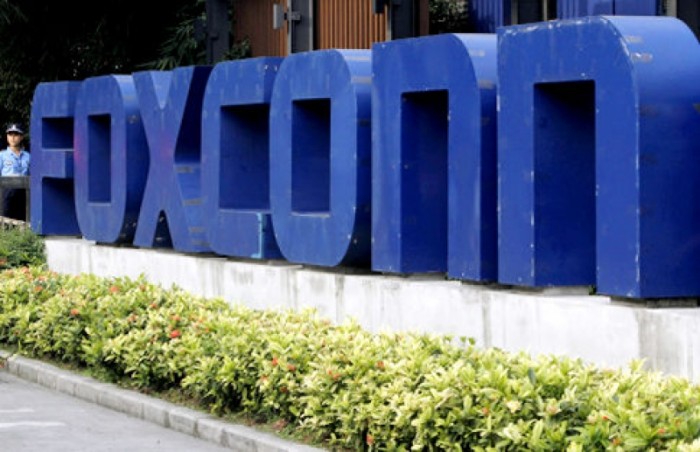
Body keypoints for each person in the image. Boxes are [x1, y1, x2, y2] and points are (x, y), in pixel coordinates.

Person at [0, 123, 30, 220]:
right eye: (10, 134)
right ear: (7, 137)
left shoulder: (28, 156)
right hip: (6, 192)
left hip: (24, 193)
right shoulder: (2, 156)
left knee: (23, 221)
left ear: (21, 137)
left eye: (16, 134)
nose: (13, 137)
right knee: (5, 220)